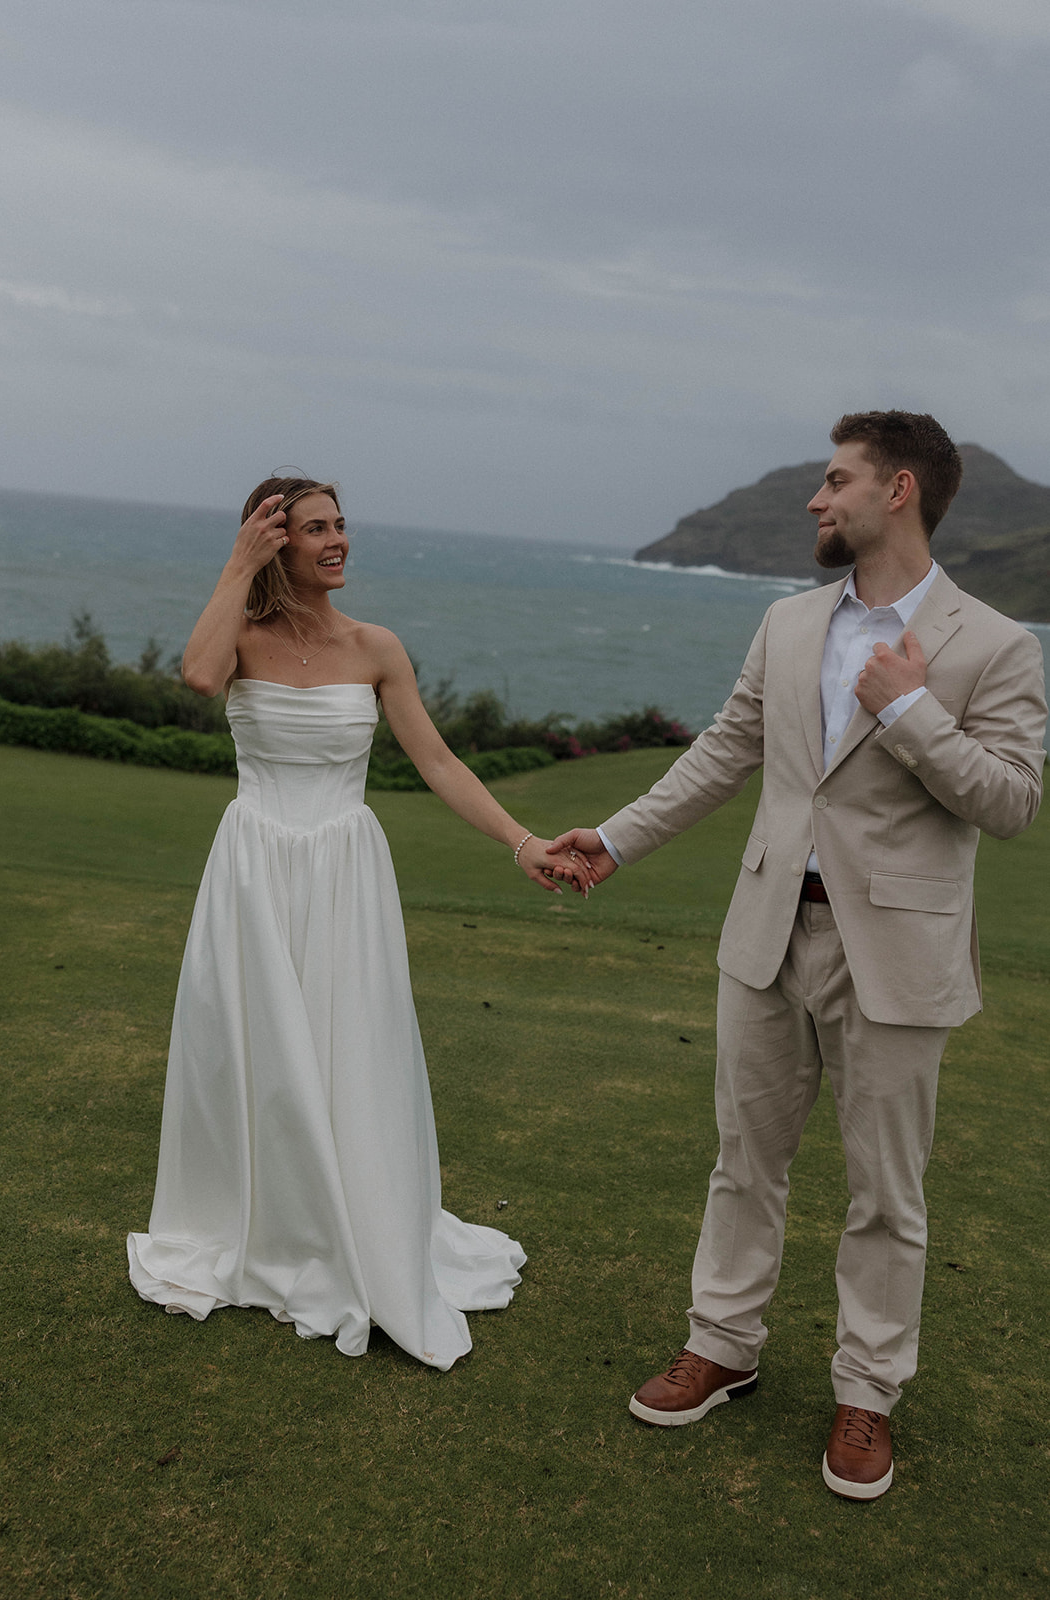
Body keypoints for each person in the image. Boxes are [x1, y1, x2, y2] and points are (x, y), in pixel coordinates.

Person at [549, 412, 1046, 1497]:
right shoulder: (784, 625)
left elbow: (1010, 803)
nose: (816, 501)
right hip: (767, 930)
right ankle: (720, 1345)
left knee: (884, 1191)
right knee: (742, 1159)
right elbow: (724, 751)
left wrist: (908, 708)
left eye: (834, 481)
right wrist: (618, 838)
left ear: (897, 490)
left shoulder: (996, 642)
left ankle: (865, 1394)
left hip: (899, 954)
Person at [128, 474, 590, 1372]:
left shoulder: (376, 647)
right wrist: (235, 566)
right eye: (313, 529)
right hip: (255, 864)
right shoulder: (244, 637)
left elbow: (438, 761)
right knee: (255, 1047)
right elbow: (196, 675)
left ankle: (361, 1224)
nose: (336, 541)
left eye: (340, 525)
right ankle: (268, 1226)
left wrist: (521, 840)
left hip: (344, 868)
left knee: (350, 1046)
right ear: (274, 541)